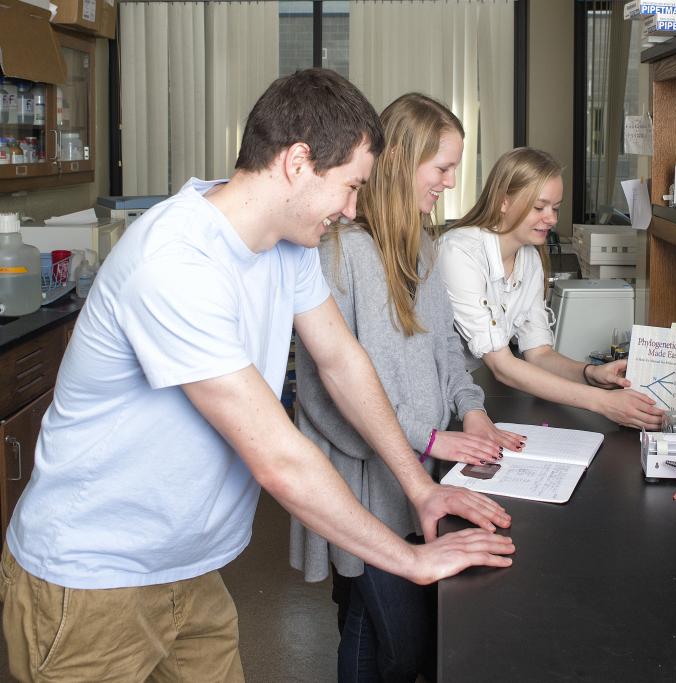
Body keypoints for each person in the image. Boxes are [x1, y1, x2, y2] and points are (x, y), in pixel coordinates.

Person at [0, 70, 515, 683]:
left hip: (189, 573)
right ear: (298, 162)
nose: (353, 208)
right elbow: (277, 456)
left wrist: (421, 489)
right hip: (90, 583)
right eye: (349, 186)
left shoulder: (285, 244)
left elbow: (341, 360)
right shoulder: (177, 262)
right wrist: (409, 558)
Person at [290, 93, 524, 682]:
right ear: (398, 161)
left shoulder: (421, 247)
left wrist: (470, 413)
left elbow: (446, 349)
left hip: (417, 473)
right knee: (396, 643)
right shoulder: (338, 253)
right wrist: (426, 440)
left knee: (381, 633)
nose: (450, 182)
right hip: (365, 483)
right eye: (442, 167)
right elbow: (320, 395)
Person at [437, 147, 664, 430]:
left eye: (555, 208)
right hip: (436, 399)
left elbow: (538, 353)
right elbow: (502, 366)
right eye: (539, 207)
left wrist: (590, 373)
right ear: (504, 201)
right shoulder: (459, 252)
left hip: (470, 400)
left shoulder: (529, 258)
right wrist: (604, 403)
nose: (552, 219)